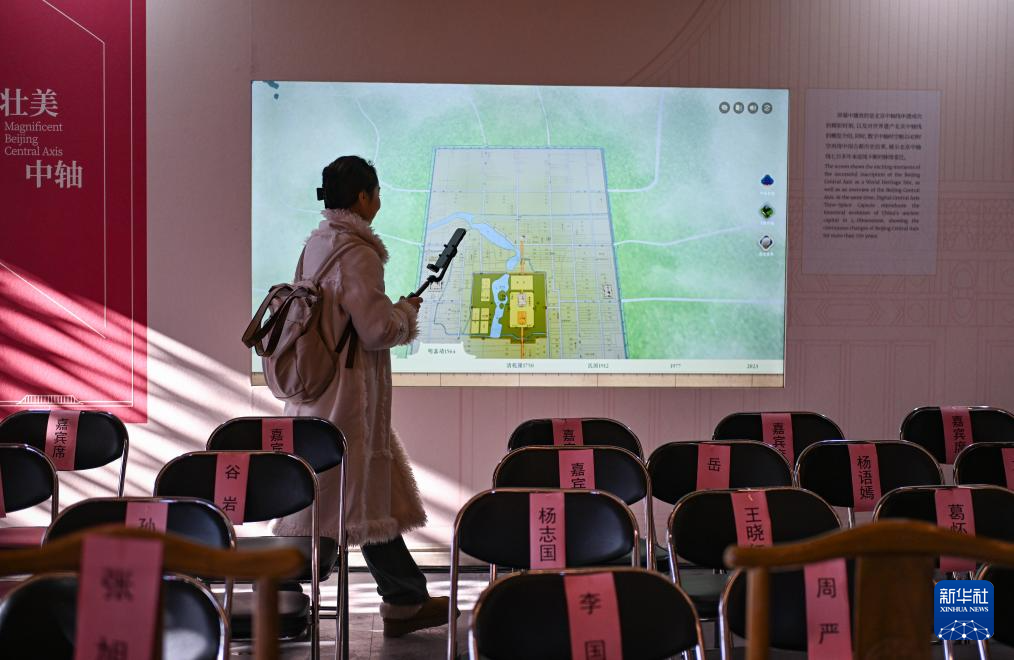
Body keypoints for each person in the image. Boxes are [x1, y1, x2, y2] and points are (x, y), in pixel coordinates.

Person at [272, 155, 452, 637]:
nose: (379, 201)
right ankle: (285, 594)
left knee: (352, 494)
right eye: (376, 193)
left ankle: (402, 596)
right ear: (362, 197)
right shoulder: (358, 252)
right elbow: (375, 330)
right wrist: (404, 314)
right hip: (348, 396)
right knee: (341, 497)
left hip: (317, 389)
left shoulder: (318, 244)